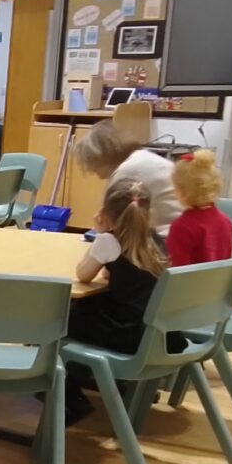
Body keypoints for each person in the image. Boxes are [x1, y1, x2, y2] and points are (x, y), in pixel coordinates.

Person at [66, 179, 183, 422]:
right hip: (159, 333)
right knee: (82, 310)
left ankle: (68, 394)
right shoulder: (155, 239)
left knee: (60, 316)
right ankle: (93, 380)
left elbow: (83, 274)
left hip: (129, 335)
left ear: (106, 213)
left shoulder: (109, 241)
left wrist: (100, 235)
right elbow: (111, 276)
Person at [73, 120, 181, 236]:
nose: (97, 176)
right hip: (180, 231)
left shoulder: (126, 171)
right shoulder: (142, 157)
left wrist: (102, 231)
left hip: (165, 236)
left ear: (100, 157)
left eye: (93, 167)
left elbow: (113, 222)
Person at [167, 150, 232, 267]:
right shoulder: (225, 221)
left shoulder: (181, 227)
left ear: (183, 191)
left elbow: (178, 271)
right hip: (217, 279)